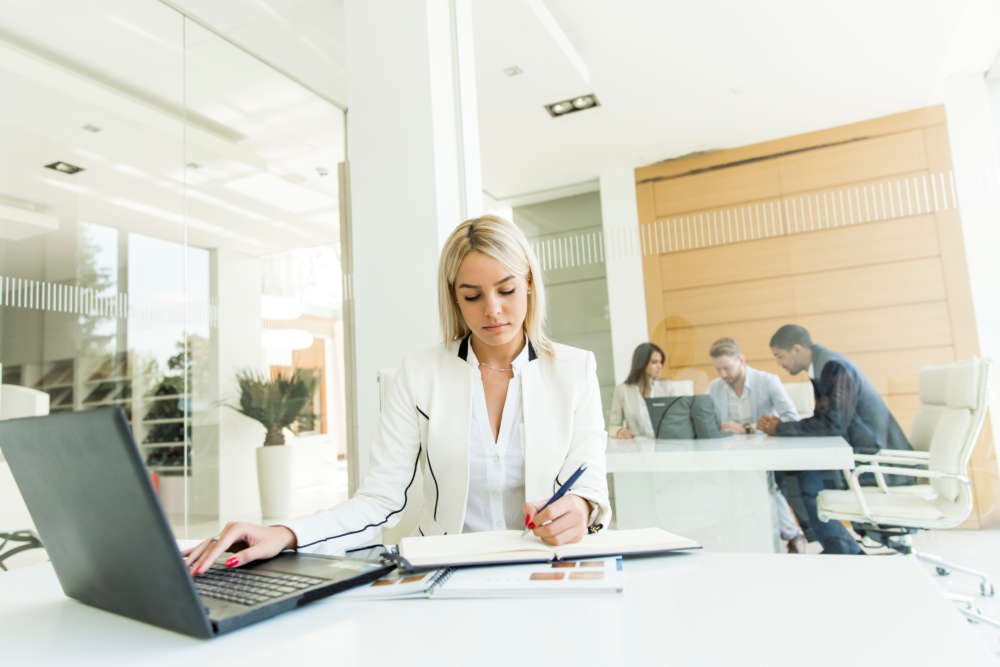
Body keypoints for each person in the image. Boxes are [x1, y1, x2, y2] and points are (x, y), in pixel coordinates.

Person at [184, 215, 611, 575]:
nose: (492, 310)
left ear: (530, 284)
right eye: (472, 296)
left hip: (548, 574)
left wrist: (582, 509)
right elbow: (380, 502)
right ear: (454, 299)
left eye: (506, 290)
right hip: (445, 575)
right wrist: (287, 532)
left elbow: (590, 489)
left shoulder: (575, 370)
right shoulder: (420, 373)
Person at [758, 324, 913, 555]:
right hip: (856, 450)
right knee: (789, 473)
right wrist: (783, 427)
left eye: (780, 356)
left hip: (873, 458)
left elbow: (833, 424)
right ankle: (838, 545)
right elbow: (826, 419)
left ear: (797, 349)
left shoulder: (834, 367)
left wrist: (781, 428)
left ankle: (843, 549)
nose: (780, 363)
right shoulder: (822, 367)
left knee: (803, 479)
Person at [706, 337, 807, 554]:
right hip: (730, 455)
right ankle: (782, 535)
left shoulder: (767, 381)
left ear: (742, 360)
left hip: (766, 452)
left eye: (727, 368)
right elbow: (709, 422)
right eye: (717, 369)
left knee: (762, 482)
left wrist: (748, 429)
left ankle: (790, 535)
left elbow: (791, 418)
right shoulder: (715, 388)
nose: (723, 375)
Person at [607, 342, 667, 439]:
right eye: (654, 362)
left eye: (661, 362)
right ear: (642, 363)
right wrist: (619, 431)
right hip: (637, 448)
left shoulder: (664, 389)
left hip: (664, 447)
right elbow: (612, 427)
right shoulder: (622, 390)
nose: (660, 366)